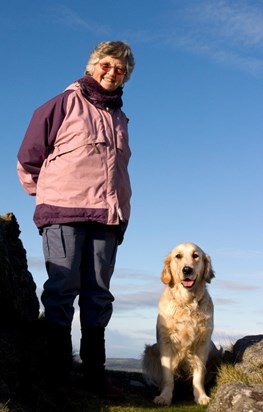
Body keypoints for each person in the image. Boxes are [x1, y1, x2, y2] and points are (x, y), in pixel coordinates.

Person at [17, 40, 135, 397]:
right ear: (93, 65)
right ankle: (57, 375)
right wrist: (50, 194)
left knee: (98, 295)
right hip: (64, 211)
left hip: (107, 217)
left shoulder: (120, 117)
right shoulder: (63, 103)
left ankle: (95, 376)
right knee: (61, 290)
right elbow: (28, 158)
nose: (113, 72)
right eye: (108, 64)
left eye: (121, 69)